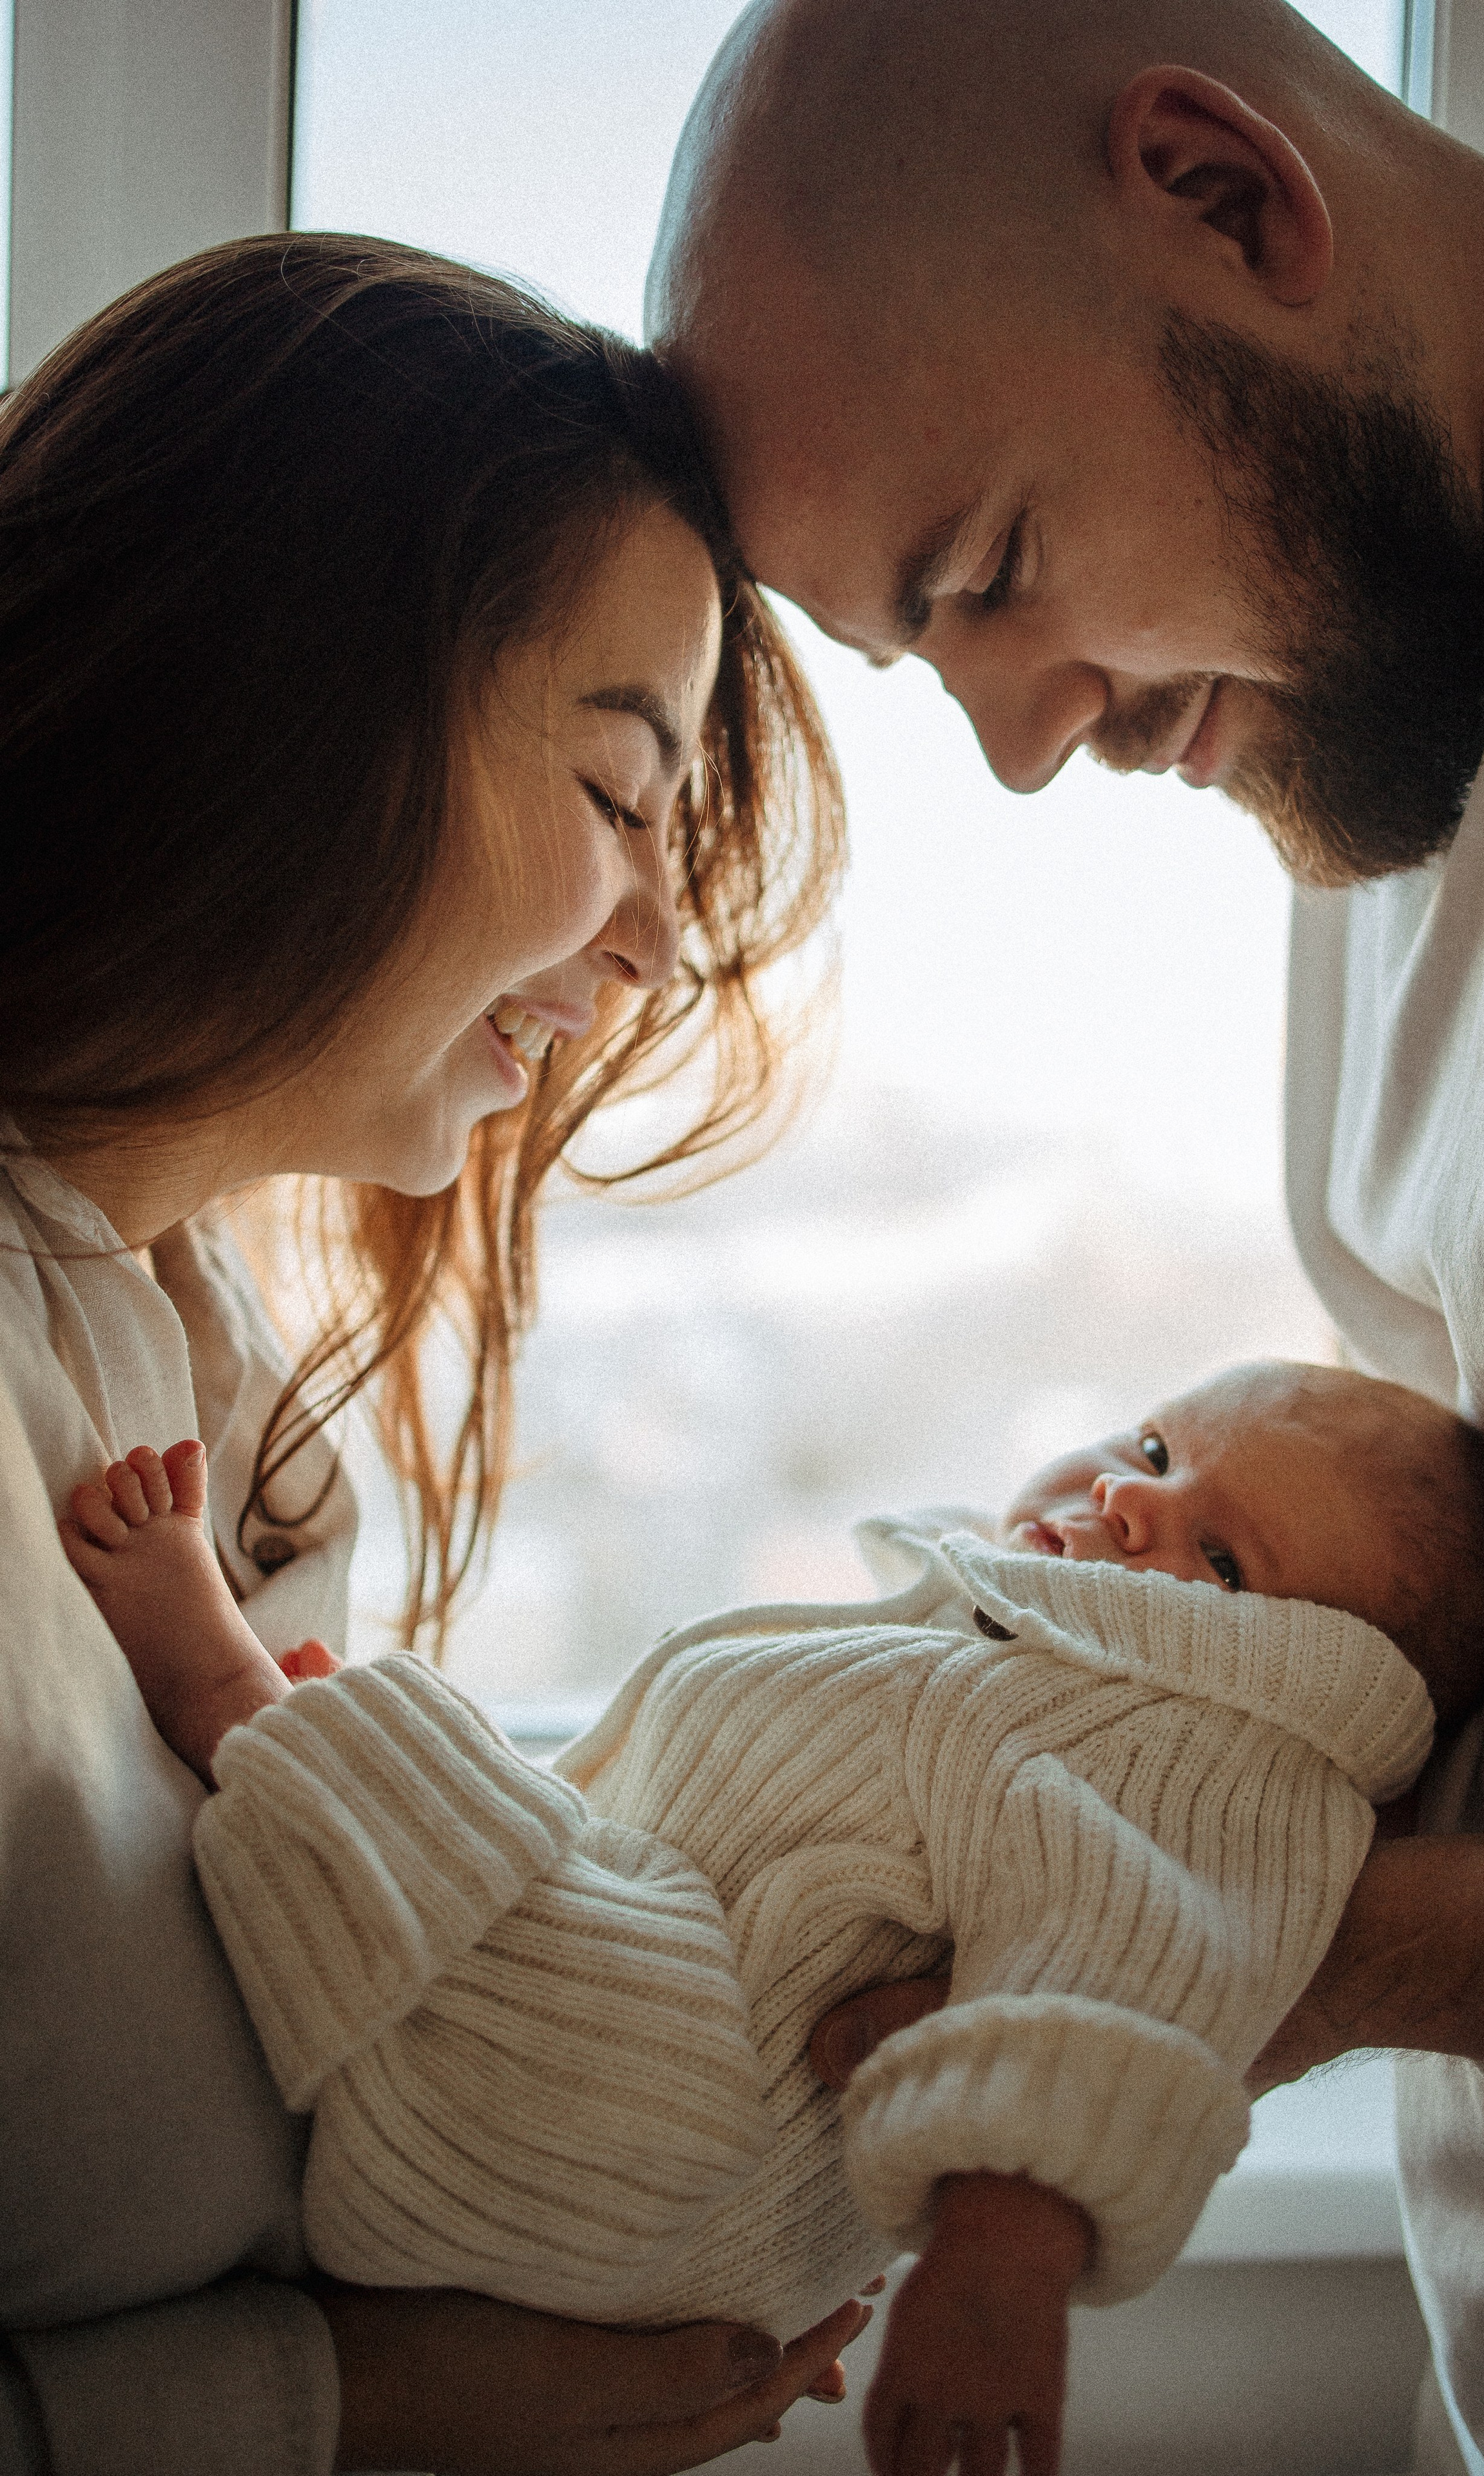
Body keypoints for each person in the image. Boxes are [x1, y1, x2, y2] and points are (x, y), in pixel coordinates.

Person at [644, 3, 1484, 2469]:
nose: (1017, 746)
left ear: (1226, 195)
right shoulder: (1377, 738)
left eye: (991, 569)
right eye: (925, 659)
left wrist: (1227, 1936)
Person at [0, 231, 863, 2476]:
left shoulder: (195, 1373)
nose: (659, 942)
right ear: (280, 695)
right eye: (617, 796)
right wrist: (338, 2406)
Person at [60, 1361, 1484, 2476]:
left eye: (1225, 1559)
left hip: (647, 2125)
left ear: (1307, 1673)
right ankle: (337, 1791)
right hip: (641, 2094)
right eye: (1153, 1446)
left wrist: (1003, 2258)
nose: (1133, 1500)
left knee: (536, 1902)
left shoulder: (1197, 1755)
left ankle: (228, 1698)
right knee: (531, 1866)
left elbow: (1122, 1977)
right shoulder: (1014, 1643)